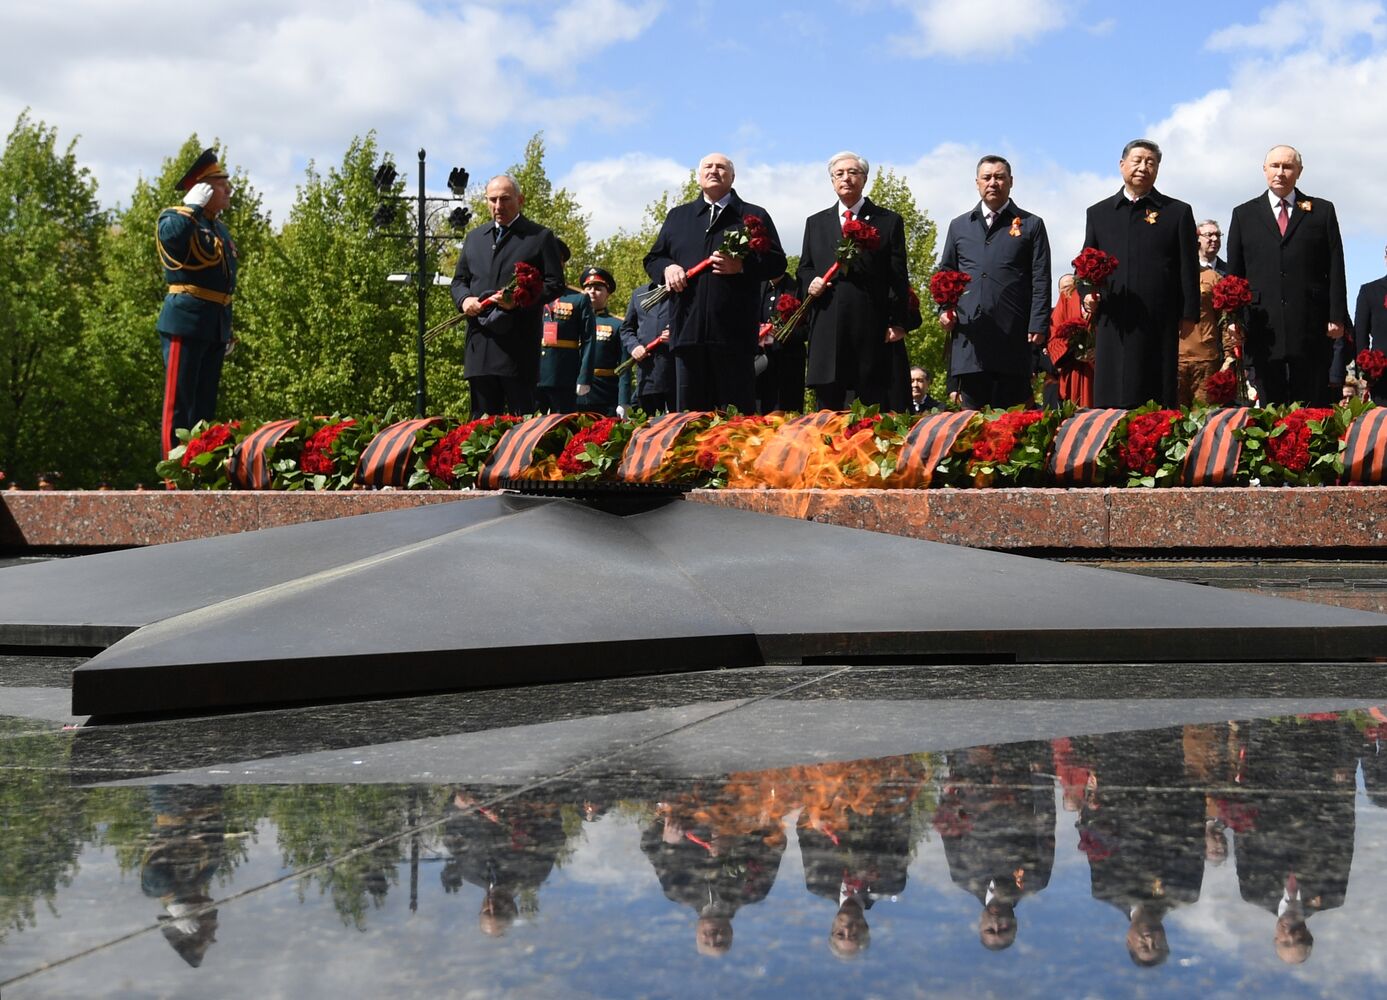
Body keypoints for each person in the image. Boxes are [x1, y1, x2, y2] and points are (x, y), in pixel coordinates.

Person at [644, 153, 786, 412]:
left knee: (735, 422)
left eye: (721, 167)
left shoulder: (752, 216)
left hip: (734, 336)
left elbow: (777, 263)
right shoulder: (678, 216)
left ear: (732, 177)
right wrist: (668, 268)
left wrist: (742, 266)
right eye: (708, 167)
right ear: (698, 176)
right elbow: (653, 259)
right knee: (689, 421)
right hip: (688, 335)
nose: (714, 171)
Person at [1226, 145, 1348, 405]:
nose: (1280, 172)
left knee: (1311, 400)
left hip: (1310, 322)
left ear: (1299, 172)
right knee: (1269, 403)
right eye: (1275, 166)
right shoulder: (1244, 214)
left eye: (1288, 166)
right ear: (1264, 170)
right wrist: (1233, 319)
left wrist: (1336, 316)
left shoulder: (1321, 211)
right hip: (1261, 325)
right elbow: (1234, 275)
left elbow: (1336, 266)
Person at [1082, 139, 1199, 407]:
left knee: (1156, 389)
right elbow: (1086, 262)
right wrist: (1087, 293)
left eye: (1151, 162)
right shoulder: (1099, 213)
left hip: (1159, 316)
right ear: (1122, 165)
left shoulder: (1177, 212)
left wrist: (1189, 313)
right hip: (1114, 317)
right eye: (1137, 160)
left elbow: (1188, 267)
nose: (1143, 167)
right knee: (1112, 390)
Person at [798, 151, 910, 410]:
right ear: (832, 180)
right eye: (839, 174)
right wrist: (810, 282)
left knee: (870, 412)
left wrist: (897, 322)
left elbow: (898, 276)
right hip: (828, 328)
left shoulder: (888, 221)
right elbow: (804, 268)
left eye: (853, 173)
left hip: (871, 328)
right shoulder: (815, 223)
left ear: (864, 178)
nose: (846, 178)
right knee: (827, 415)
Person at [939, 155, 1052, 409]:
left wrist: (1038, 324)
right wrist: (944, 311)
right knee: (972, 424)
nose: (993, 183)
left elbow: (1041, 278)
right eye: (987, 177)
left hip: (1013, 337)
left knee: (1011, 422)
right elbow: (946, 274)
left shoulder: (1031, 224)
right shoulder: (959, 226)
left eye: (999, 177)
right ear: (977, 183)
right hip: (971, 341)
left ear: (1011, 182)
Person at [451, 174, 566, 417]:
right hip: (480, 346)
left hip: (517, 350)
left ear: (520, 199)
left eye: (504, 199)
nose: (498, 206)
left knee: (519, 428)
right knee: (479, 427)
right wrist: (465, 301)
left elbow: (555, 284)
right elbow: (459, 281)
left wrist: (519, 300)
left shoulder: (539, 236)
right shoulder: (474, 238)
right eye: (492, 200)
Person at [156, 148, 237, 458]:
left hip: (213, 324)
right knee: (179, 403)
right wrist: (191, 207)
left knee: (204, 408)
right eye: (220, 183)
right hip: (186, 321)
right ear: (202, 188)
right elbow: (172, 239)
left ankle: (199, 466)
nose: (228, 189)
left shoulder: (219, 228)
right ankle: (174, 475)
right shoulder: (177, 217)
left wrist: (225, 327)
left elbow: (223, 283)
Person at [1179, 220, 1239, 406]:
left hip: (1208, 355)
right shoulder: (1173, 273)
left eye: (1217, 235)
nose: (1214, 239)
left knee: (1205, 416)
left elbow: (1226, 319)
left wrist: (1230, 355)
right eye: (1208, 235)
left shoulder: (1222, 275)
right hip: (1178, 357)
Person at [536, 240, 594, 414]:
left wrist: (584, 377)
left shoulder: (578, 298)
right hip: (533, 373)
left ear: (561, 264)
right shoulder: (531, 295)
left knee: (563, 427)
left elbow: (589, 340)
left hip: (563, 375)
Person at [1333, 243, 1387, 403]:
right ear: (1385, 258)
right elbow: (1360, 336)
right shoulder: (1369, 291)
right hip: (1383, 375)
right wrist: (1364, 371)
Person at [755, 271, 806, 413]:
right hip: (760, 363)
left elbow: (807, 329)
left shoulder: (797, 289)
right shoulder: (757, 287)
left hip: (788, 366)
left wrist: (784, 334)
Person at [576, 267, 624, 416]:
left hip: (604, 395)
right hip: (573, 394)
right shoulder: (574, 322)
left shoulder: (618, 325)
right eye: (588, 288)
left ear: (607, 293)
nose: (592, 291)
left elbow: (624, 368)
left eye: (598, 288)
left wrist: (623, 401)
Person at [621, 280, 674, 414]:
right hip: (648, 374)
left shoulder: (685, 291)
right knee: (650, 427)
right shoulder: (640, 294)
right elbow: (627, 329)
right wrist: (634, 347)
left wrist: (677, 334)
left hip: (677, 373)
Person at [1047, 273, 1094, 407]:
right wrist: (1075, 349)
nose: (1067, 290)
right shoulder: (1066, 301)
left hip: (1100, 369)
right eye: (1064, 288)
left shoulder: (1105, 295)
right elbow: (1055, 336)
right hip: (1074, 370)